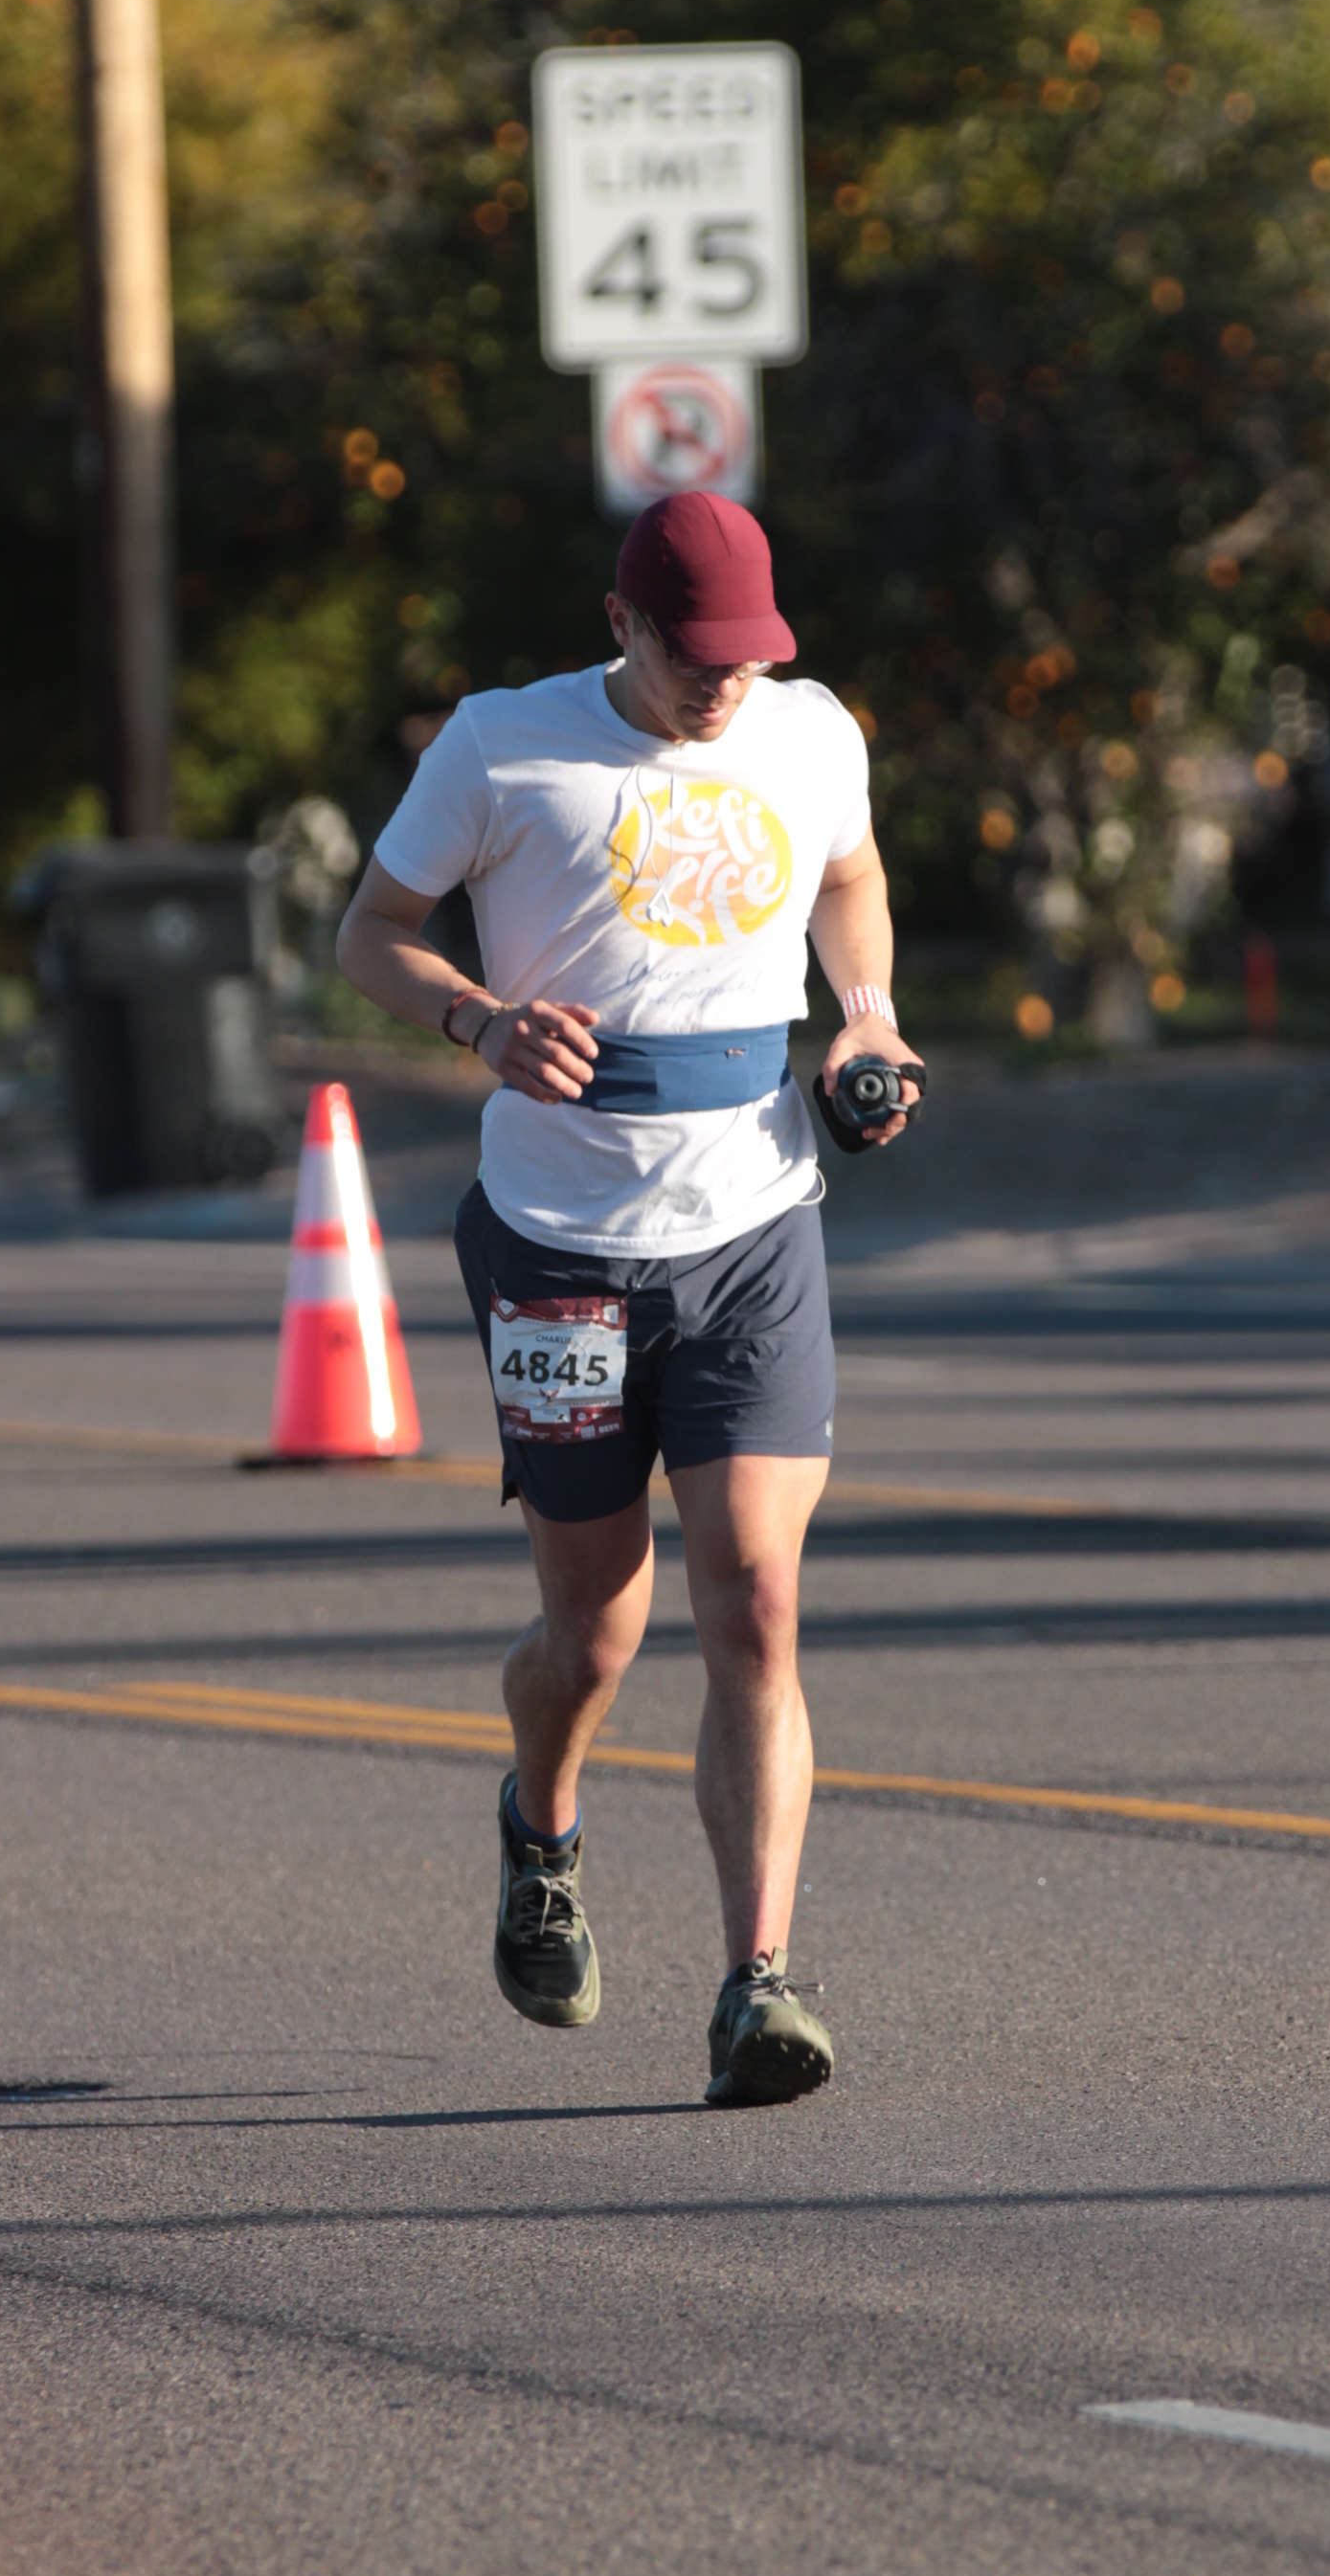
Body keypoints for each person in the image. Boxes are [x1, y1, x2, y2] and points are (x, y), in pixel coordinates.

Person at [335, 491, 922, 2108]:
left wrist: (867, 1019)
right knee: (594, 1633)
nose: (724, 683)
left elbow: (851, 878)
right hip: (558, 1247)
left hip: (754, 1228)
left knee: (756, 1600)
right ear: (623, 624)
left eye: (749, 655)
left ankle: (758, 1986)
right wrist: (477, 1020)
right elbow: (371, 933)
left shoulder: (811, 733)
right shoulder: (500, 748)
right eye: (693, 655)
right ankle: (541, 1829)